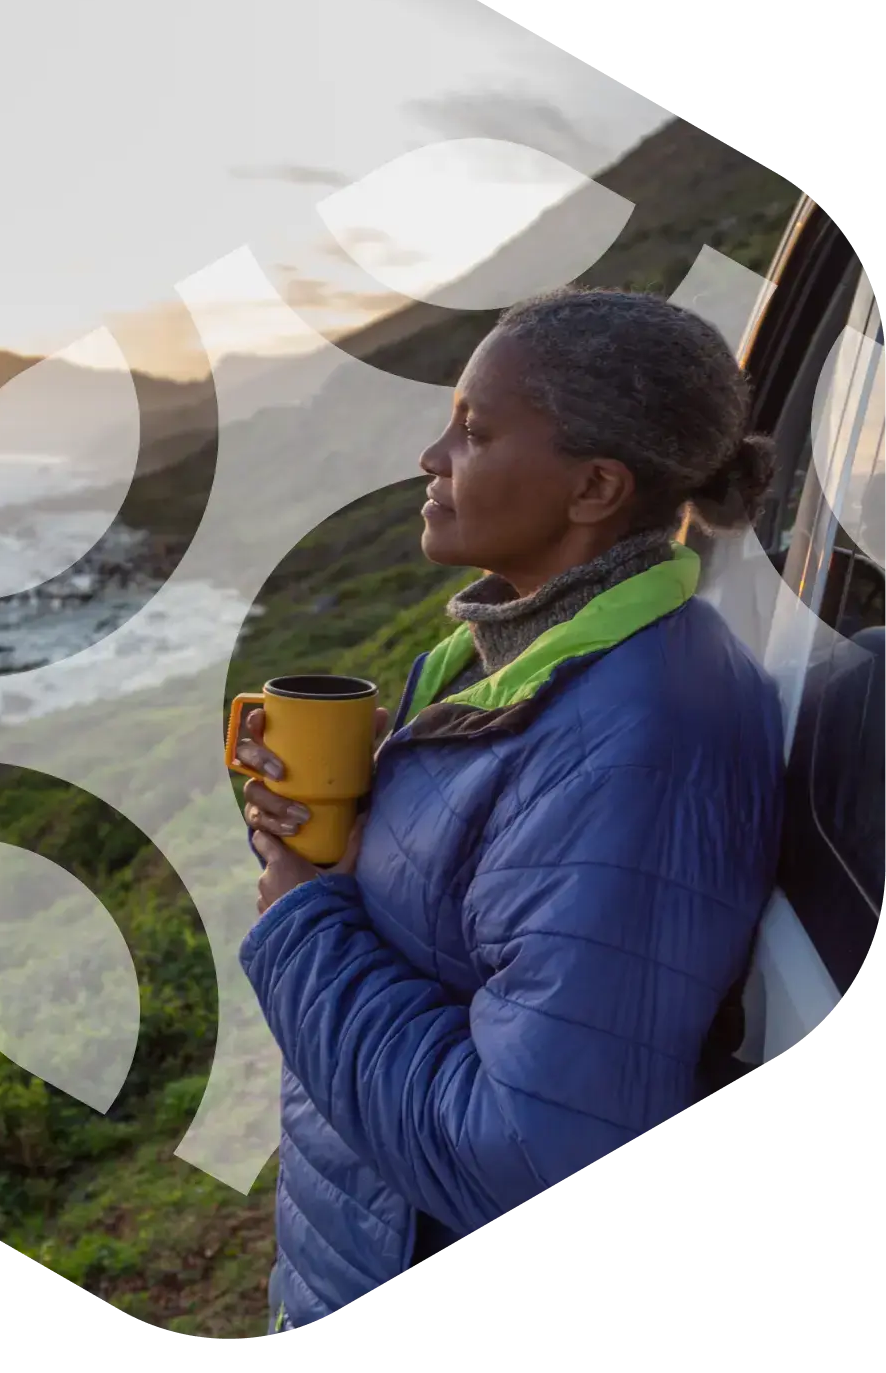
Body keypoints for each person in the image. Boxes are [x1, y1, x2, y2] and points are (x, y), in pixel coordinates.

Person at [234, 287, 787, 1336]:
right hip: (356, 1243)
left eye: (475, 430)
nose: (429, 456)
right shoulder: (493, 661)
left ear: (592, 486)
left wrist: (299, 919)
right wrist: (325, 833)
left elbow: (526, 1157)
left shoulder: (640, 741)